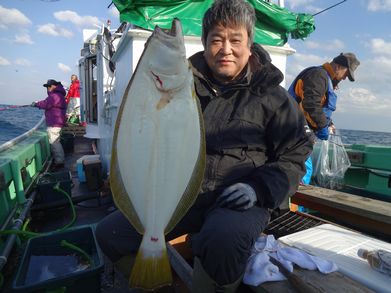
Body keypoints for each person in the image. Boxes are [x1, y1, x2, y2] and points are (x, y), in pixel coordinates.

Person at [95, 0, 312, 291]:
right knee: (109, 233)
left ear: (249, 44)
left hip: (237, 199)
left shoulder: (273, 97)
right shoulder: (186, 83)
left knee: (222, 240)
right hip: (182, 195)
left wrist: (257, 189)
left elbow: (294, 157)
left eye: (236, 40)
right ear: (205, 43)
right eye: (216, 40)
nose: (226, 49)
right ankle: (162, 284)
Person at [288, 52, 360, 184]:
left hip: (300, 135)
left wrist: (329, 123)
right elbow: (311, 105)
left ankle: (298, 202)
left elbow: (318, 106)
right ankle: (294, 202)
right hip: (292, 135)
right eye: (346, 73)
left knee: (304, 170)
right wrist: (322, 127)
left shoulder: (323, 78)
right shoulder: (318, 75)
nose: (344, 78)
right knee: (299, 173)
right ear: (338, 66)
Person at [31, 79, 67, 169]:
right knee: (56, 141)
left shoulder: (55, 96)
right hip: (57, 122)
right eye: (47, 87)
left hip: (54, 123)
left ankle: (59, 162)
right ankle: (59, 160)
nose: (48, 88)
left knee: (54, 142)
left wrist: (36, 104)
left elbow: (46, 104)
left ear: (55, 86)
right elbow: (48, 103)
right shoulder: (58, 95)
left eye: (49, 86)